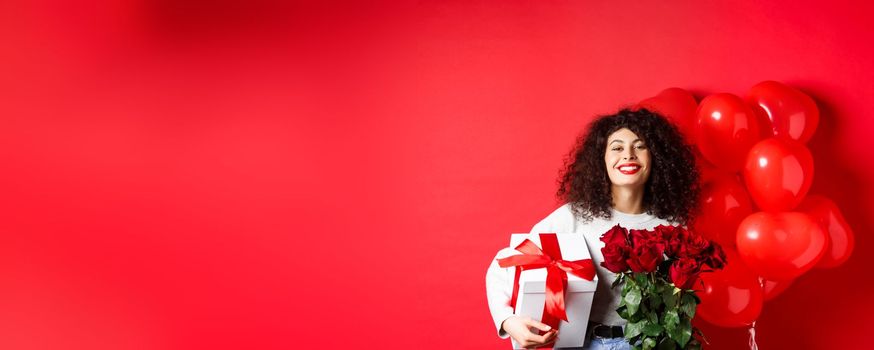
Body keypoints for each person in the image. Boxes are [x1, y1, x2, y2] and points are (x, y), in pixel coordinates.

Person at [485, 108, 699, 349]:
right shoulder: (575, 216)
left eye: (640, 146)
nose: (628, 155)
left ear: (656, 157)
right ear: (602, 159)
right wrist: (507, 320)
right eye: (617, 148)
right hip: (583, 344)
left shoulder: (672, 226)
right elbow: (505, 263)